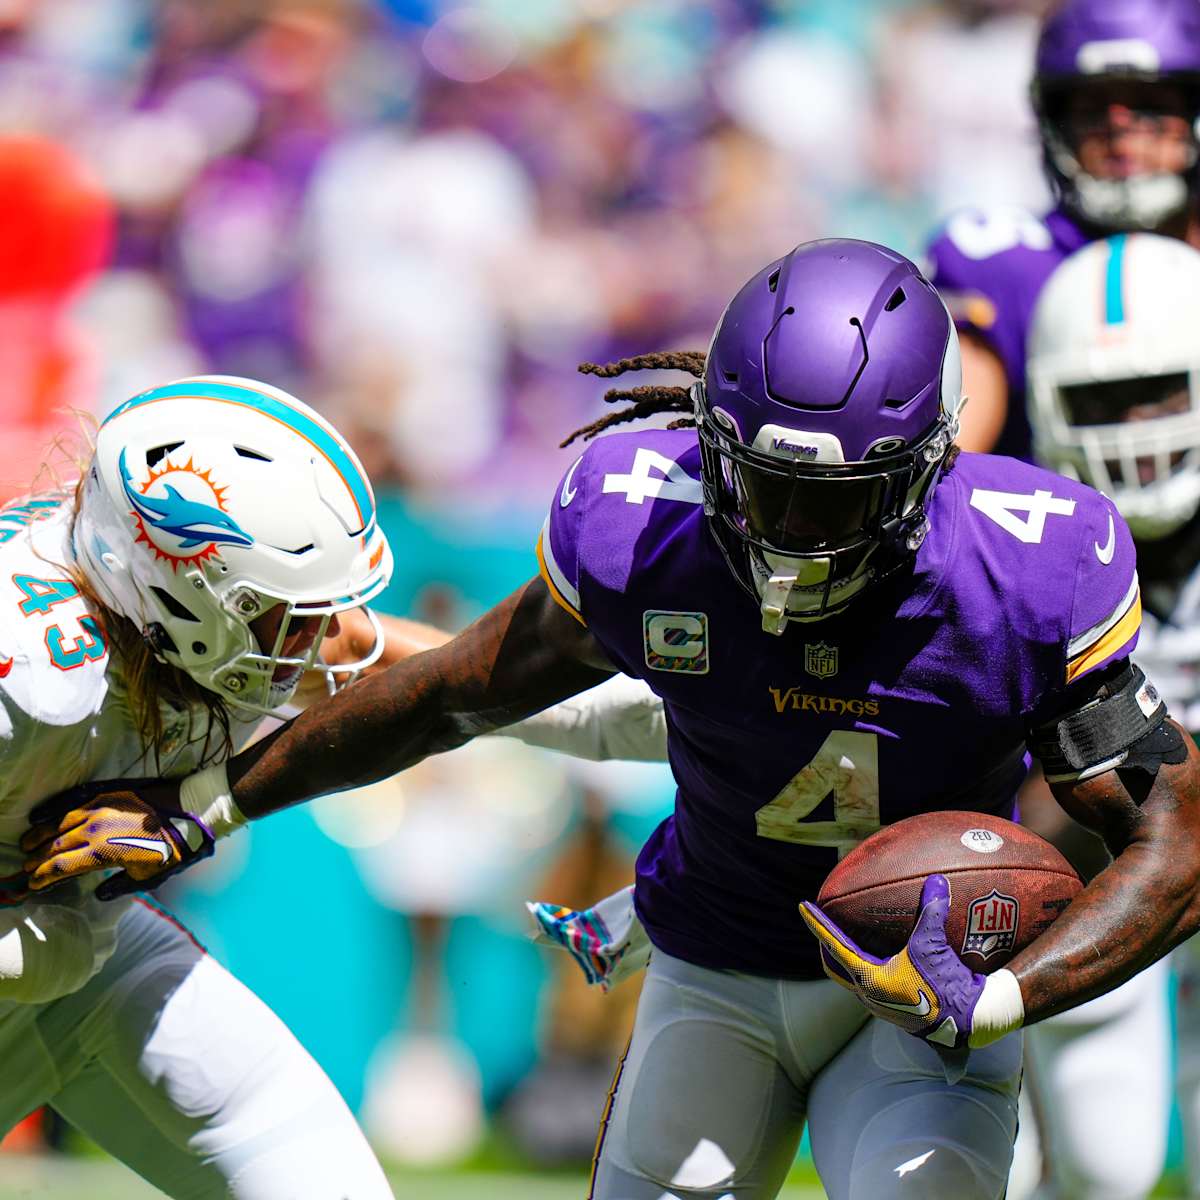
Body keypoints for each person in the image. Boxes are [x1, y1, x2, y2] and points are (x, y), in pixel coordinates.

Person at [22, 241, 1200, 1200]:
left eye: (828, 498)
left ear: (931, 466)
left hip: (919, 989)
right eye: (761, 483)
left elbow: (1178, 832)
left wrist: (1002, 992)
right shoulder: (647, 521)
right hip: (720, 960)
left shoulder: (1029, 567)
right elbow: (458, 690)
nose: (789, 530)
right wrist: (210, 805)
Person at [0, 371, 662, 1199]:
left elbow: (454, 683)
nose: (322, 636)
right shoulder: (23, 671)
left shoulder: (172, 600)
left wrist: (685, 720)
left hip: (84, 966)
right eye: (285, 612)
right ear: (176, 590)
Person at [1022, 231, 1200, 1197]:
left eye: (1160, 393)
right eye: (1101, 402)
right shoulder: (1020, 544)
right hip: (1110, 879)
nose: (1133, 429)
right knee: (1103, 1167)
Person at [926, 0, 1200, 459]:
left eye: (1152, 107)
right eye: (1093, 112)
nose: (1123, 138)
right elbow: (946, 468)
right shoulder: (1009, 263)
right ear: (1055, 124)